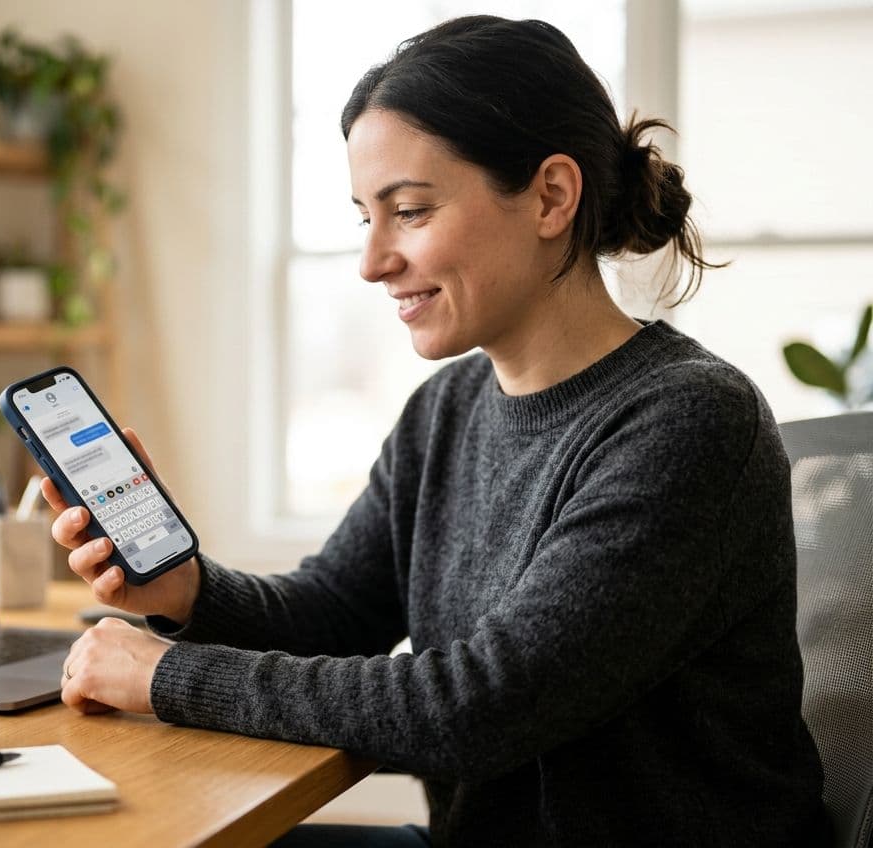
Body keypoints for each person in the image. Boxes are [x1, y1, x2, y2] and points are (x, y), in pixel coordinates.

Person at [44, 15, 829, 848]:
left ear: (551, 197)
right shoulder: (448, 406)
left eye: (409, 212)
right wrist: (183, 592)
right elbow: (334, 610)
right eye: (365, 219)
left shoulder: (689, 420)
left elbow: (483, 707)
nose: (373, 261)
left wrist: (171, 677)